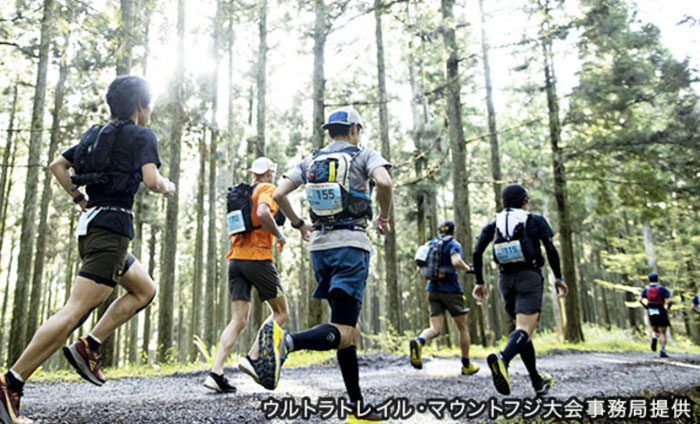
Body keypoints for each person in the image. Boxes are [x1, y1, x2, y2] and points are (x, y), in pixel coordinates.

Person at [1, 76, 175, 424]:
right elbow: (152, 180)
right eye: (149, 103)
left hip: (95, 229)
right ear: (140, 106)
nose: (151, 110)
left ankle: (89, 345)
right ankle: (11, 381)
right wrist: (168, 186)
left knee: (144, 289)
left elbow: (57, 165)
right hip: (110, 232)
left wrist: (79, 198)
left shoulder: (94, 135)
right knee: (74, 311)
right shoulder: (143, 135)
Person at [251, 106, 392, 420]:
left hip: (320, 248)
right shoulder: (365, 154)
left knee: (346, 328)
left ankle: (357, 405)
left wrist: (299, 224)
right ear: (354, 129)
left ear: (330, 131)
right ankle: (286, 343)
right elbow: (384, 183)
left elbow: (278, 192)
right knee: (346, 328)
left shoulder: (310, 160)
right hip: (351, 246)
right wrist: (383, 218)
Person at [472, 184, 568, 397]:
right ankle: (503, 359)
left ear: (502, 203)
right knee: (525, 329)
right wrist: (558, 278)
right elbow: (550, 249)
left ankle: (536, 381)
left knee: (524, 332)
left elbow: (478, 252)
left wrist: (479, 282)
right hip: (529, 276)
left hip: (505, 279)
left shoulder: (495, 223)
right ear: (525, 200)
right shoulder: (533, 220)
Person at [203, 157, 289, 393]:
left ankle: (216, 373)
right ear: (270, 173)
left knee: (238, 319)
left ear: (253, 173)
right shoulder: (267, 189)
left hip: (236, 260)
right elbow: (263, 213)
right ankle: (252, 357)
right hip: (257, 259)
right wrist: (279, 236)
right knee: (281, 312)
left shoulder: (240, 194)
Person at [409, 220, 480, 376]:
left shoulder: (430, 244)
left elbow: (419, 267)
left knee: (434, 328)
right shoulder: (453, 244)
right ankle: (466, 365)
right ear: (454, 232)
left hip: (432, 289)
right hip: (451, 290)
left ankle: (419, 341)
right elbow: (455, 261)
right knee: (462, 327)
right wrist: (468, 269)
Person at [639, 273, 673, 358]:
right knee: (663, 332)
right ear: (658, 280)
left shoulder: (646, 289)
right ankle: (662, 350)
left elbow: (640, 300)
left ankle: (655, 336)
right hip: (661, 309)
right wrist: (668, 308)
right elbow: (670, 300)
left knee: (655, 328)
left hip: (651, 310)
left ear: (648, 280)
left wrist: (646, 307)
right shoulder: (662, 289)